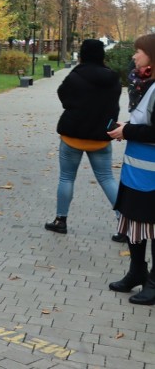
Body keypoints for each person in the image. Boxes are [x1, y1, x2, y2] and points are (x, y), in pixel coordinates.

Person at [44, 39, 120, 237]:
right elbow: (114, 105)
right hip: (100, 137)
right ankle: (125, 223)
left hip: (72, 135)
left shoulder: (75, 76)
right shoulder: (113, 78)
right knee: (107, 178)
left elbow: (62, 95)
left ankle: (61, 220)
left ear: (82, 55)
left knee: (67, 177)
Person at [107, 34, 155, 305]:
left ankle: (154, 282)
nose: (134, 56)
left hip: (151, 177)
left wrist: (128, 130)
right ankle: (137, 272)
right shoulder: (146, 85)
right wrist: (126, 127)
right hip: (137, 174)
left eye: (139, 51)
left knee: (153, 228)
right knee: (134, 223)